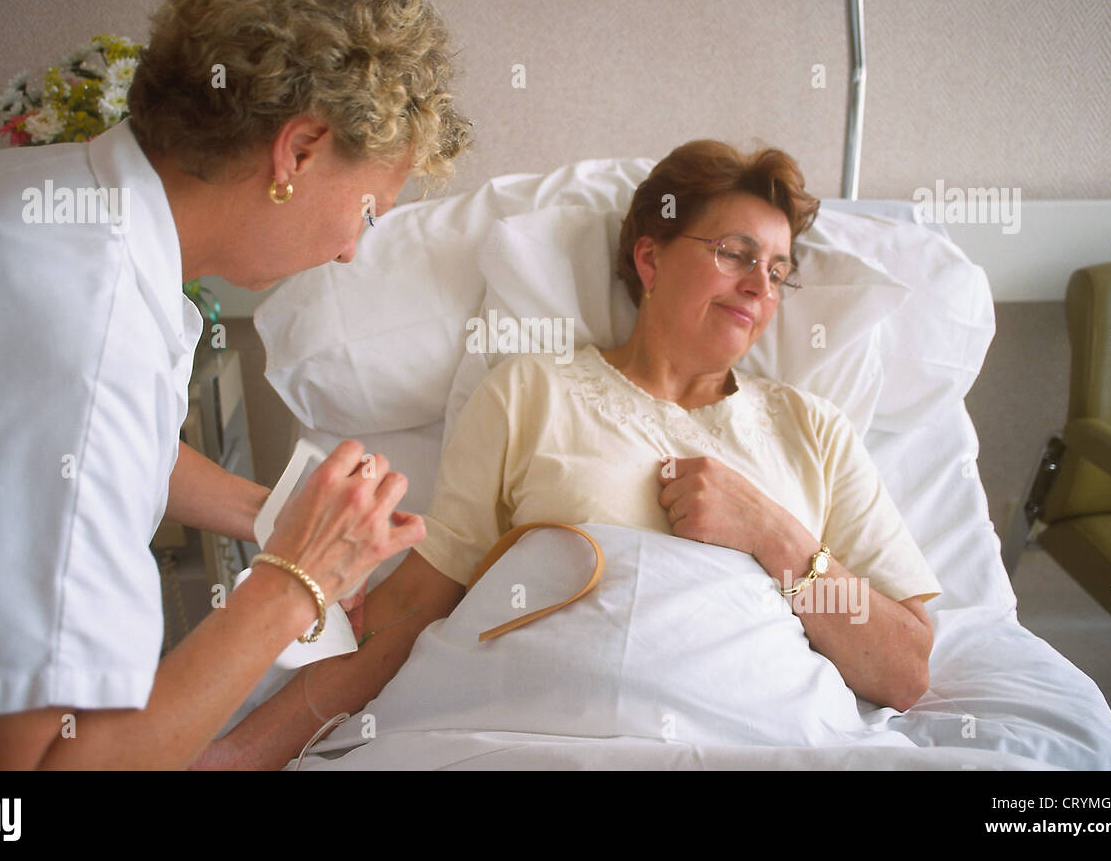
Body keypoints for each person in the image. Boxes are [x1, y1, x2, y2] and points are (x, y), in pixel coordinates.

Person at [0, 0, 472, 770]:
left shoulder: (36, 201)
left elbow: (103, 450)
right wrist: (292, 583)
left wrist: (274, 516)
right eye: (368, 214)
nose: (348, 254)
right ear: (295, 151)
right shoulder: (82, 335)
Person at [205, 139, 942, 770]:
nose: (759, 284)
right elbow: (408, 616)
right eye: (735, 254)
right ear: (649, 258)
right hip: (528, 736)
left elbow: (905, 668)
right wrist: (237, 753)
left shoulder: (812, 429)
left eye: (778, 271)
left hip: (756, 742)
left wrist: (772, 534)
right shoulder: (530, 391)